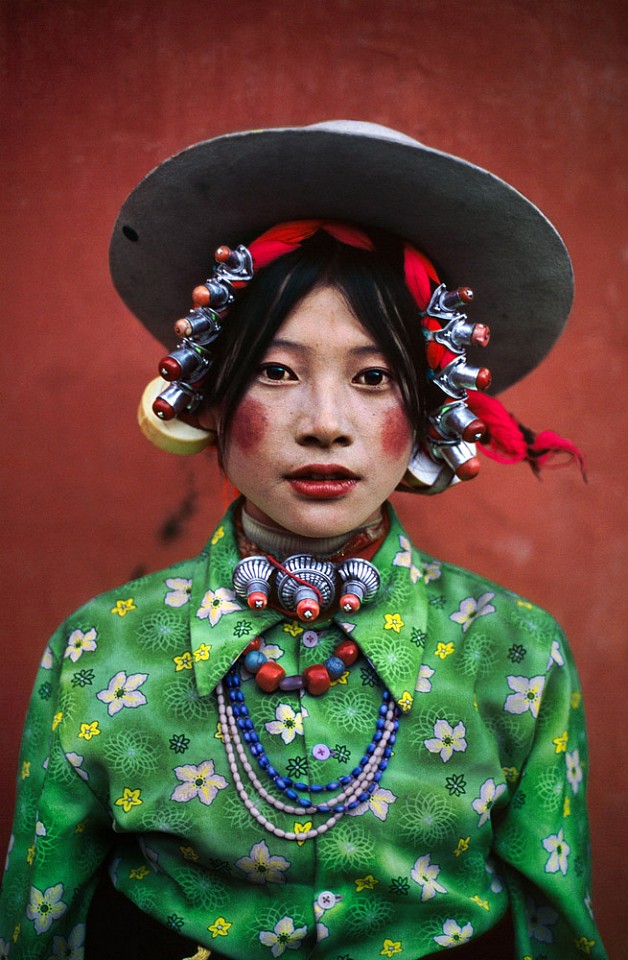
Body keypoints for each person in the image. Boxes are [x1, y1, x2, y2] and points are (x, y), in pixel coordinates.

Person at [0, 122, 606, 959]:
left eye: (373, 377)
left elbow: (555, 927)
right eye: (277, 372)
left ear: (427, 411)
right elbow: (41, 921)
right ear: (207, 398)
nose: (326, 425)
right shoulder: (100, 651)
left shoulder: (515, 653)